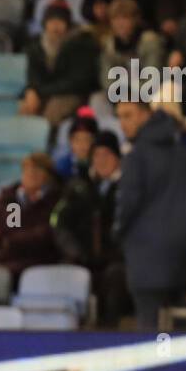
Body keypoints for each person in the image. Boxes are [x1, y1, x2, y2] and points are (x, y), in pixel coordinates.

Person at [114, 99, 186, 331]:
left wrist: (117, 233)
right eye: (119, 116)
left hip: (146, 258)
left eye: (128, 115)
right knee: (178, 325)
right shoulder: (184, 155)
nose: (122, 123)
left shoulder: (137, 157)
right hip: (181, 254)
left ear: (147, 115)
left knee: (150, 333)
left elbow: (127, 204)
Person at [52, 130, 126, 325]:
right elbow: (58, 222)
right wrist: (73, 251)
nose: (101, 160)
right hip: (82, 257)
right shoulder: (78, 186)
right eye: (97, 155)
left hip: (117, 261)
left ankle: (109, 335)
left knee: (115, 277)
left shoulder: (128, 187)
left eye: (107, 155)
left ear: (117, 157)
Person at [0, 151, 61, 282]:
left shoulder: (53, 204)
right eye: (27, 169)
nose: (31, 174)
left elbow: (43, 235)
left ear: (47, 177)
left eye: (37, 171)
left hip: (29, 266)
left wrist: (9, 242)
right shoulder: (4, 198)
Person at [20, 0, 99, 126]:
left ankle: (45, 144)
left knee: (52, 112)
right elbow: (33, 75)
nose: (55, 26)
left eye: (60, 21)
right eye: (51, 21)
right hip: (46, 92)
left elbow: (77, 82)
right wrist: (32, 90)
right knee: (25, 107)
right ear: (45, 23)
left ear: (67, 23)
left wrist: (40, 91)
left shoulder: (81, 43)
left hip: (72, 94)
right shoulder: (36, 46)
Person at [99, 0, 166, 97]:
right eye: (115, 19)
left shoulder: (149, 41)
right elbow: (106, 79)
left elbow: (152, 80)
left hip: (149, 93)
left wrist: (128, 88)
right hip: (120, 94)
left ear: (136, 20)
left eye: (124, 18)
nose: (119, 24)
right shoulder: (109, 45)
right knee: (97, 98)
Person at [55, 110, 99, 181]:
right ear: (70, 141)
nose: (81, 145)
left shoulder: (99, 166)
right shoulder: (62, 166)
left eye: (87, 140)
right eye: (77, 140)